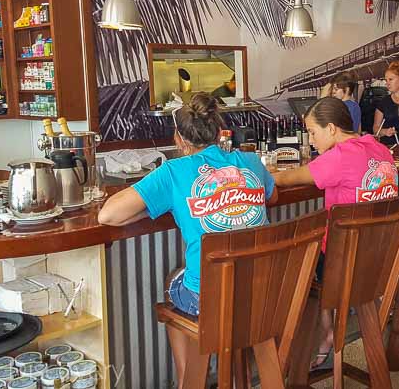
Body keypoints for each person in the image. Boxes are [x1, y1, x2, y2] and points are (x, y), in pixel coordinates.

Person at [98, 93, 277, 381]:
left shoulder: (173, 171)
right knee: (187, 279)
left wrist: (155, 208)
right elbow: (273, 194)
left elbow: (107, 215)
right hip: (265, 291)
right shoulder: (251, 160)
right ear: (220, 132)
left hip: (212, 299)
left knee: (174, 283)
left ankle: (188, 380)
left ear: (179, 139)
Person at [273, 96, 398, 370]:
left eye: (312, 132)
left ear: (331, 129)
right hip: (380, 256)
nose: (311, 140)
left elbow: (287, 178)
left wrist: (266, 175)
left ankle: (306, 347)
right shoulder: (380, 149)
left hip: (346, 263)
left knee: (292, 266)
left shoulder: (339, 156)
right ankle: (331, 332)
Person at [372, 60, 399, 145]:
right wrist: (385, 131)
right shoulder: (383, 103)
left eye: (391, 79)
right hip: (388, 149)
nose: (387, 83)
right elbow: (375, 129)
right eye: (386, 80)